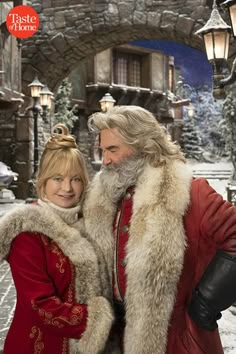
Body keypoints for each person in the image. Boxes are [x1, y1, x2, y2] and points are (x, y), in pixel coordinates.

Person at [84, 105, 236, 354]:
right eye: (102, 150)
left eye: (113, 149)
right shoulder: (104, 197)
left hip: (175, 341)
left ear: (143, 145)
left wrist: (206, 303)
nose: (105, 160)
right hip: (113, 341)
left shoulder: (190, 192)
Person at [0, 124, 114, 354]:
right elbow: (39, 305)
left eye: (75, 179)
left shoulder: (91, 223)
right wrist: (99, 320)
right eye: (57, 178)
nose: (67, 188)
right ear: (42, 180)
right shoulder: (27, 230)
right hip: (40, 346)